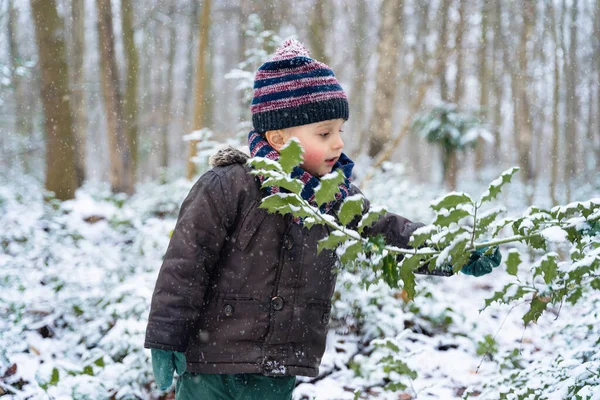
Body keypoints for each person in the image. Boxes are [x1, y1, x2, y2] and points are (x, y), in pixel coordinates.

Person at [144, 39, 501, 400]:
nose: (338, 144)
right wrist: (165, 336)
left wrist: (453, 250)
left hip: (280, 363)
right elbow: (185, 264)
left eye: (340, 131)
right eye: (324, 133)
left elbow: (389, 234)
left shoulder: (336, 199)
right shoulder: (229, 185)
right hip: (213, 361)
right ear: (279, 138)